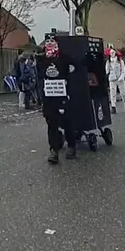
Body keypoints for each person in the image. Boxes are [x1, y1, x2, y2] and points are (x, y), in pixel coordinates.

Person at [39, 34, 77, 164]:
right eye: (47, 41)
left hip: (62, 96)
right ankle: (53, 151)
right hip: (49, 97)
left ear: (57, 43)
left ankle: (71, 146)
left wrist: (71, 73)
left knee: (67, 122)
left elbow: (75, 68)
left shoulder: (64, 58)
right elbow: (39, 77)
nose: (49, 43)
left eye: (52, 41)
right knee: (52, 124)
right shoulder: (42, 59)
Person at [106, 49, 125, 113]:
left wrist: (121, 77)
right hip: (112, 79)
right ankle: (113, 107)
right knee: (113, 94)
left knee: (123, 93)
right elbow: (107, 71)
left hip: (120, 79)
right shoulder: (108, 61)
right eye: (111, 53)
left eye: (113, 52)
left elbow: (123, 70)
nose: (112, 54)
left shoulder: (120, 61)